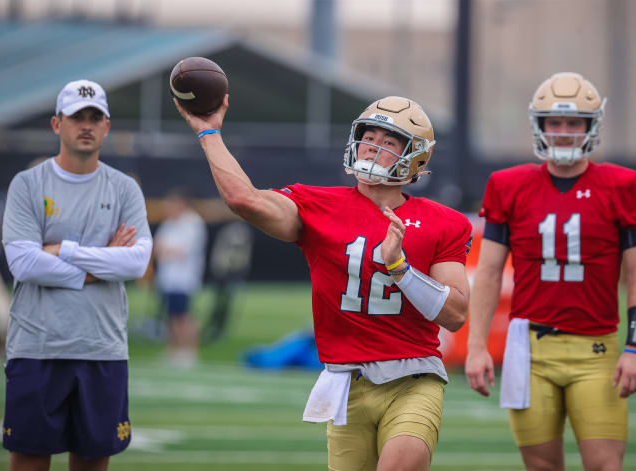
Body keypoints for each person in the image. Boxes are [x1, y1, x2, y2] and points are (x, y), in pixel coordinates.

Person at [174, 94, 472, 470]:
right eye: (369, 137)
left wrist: (400, 267)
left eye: (388, 141)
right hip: (347, 383)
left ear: (414, 157)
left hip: (414, 378)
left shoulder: (443, 222)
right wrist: (209, 131)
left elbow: (457, 314)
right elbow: (243, 200)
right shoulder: (317, 205)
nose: (373, 148)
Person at [465, 72, 636, 471]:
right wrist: (477, 346)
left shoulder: (624, 185)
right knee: (541, 467)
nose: (565, 132)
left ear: (591, 127)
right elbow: (488, 272)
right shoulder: (507, 184)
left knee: (606, 466)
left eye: (574, 123)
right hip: (527, 350)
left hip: (595, 350)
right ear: (540, 125)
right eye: (555, 122)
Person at [1, 79, 152, 470]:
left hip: (101, 348)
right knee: (29, 460)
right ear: (57, 124)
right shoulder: (28, 184)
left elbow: (135, 262)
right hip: (37, 347)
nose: (85, 124)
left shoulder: (124, 189)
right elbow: (24, 263)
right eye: (76, 117)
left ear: (106, 126)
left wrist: (63, 250)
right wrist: (101, 264)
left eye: (94, 117)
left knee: (92, 460)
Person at [153, 188, 207, 367]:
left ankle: (189, 351)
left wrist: (167, 251)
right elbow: (157, 247)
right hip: (168, 278)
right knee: (171, 315)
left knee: (184, 315)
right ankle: (173, 349)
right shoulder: (169, 223)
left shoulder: (192, 223)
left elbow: (182, 251)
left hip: (184, 278)